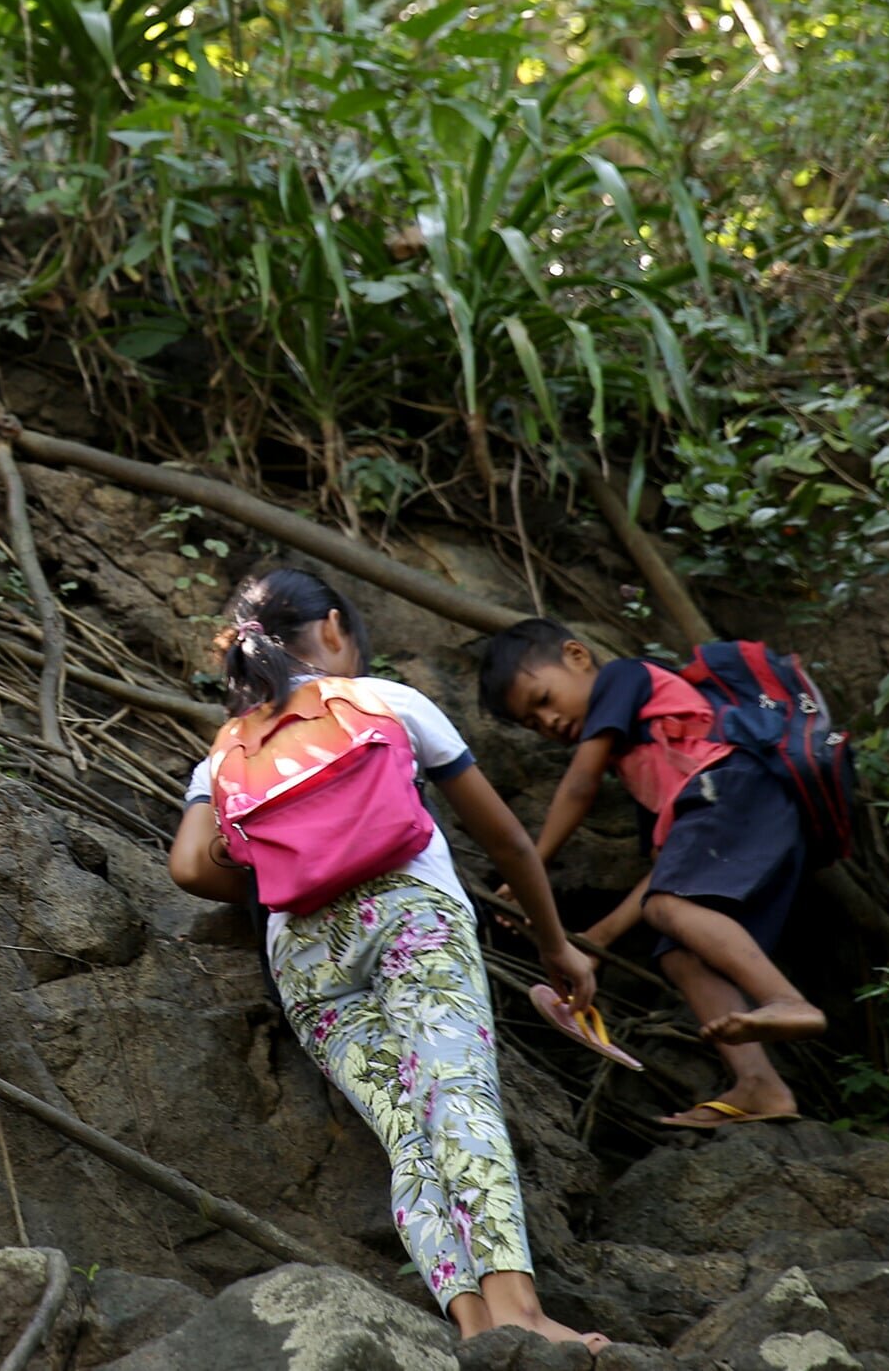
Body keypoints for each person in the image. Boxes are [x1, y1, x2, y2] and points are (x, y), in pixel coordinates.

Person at [168, 568, 605, 1352]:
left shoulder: (226, 749)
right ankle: (523, 1316)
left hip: (304, 956)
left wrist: (291, 858)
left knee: (407, 1132)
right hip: (411, 917)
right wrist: (554, 944)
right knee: (455, 1095)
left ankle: (473, 1323)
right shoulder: (382, 701)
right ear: (331, 629)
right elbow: (505, 838)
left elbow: (191, 868)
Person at [479, 618, 823, 1130]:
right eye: (533, 723)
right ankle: (760, 1086)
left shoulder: (624, 678)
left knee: (670, 907)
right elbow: (665, 872)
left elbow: (579, 786)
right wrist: (597, 940)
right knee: (680, 954)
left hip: (737, 787)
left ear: (577, 656)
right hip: (741, 813)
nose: (548, 721)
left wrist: (530, 861)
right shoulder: (649, 763)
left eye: (544, 699)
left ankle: (787, 1002)